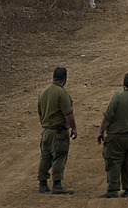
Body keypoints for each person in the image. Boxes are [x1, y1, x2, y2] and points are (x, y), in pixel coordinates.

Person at [37, 66, 78, 195]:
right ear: (65, 79)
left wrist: (45, 125)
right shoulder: (62, 94)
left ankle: (43, 184)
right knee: (60, 155)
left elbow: (40, 114)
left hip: (46, 131)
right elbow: (68, 114)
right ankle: (57, 184)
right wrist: (74, 128)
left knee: (45, 156)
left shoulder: (43, 92)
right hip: (58, 132)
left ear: (53, 77)